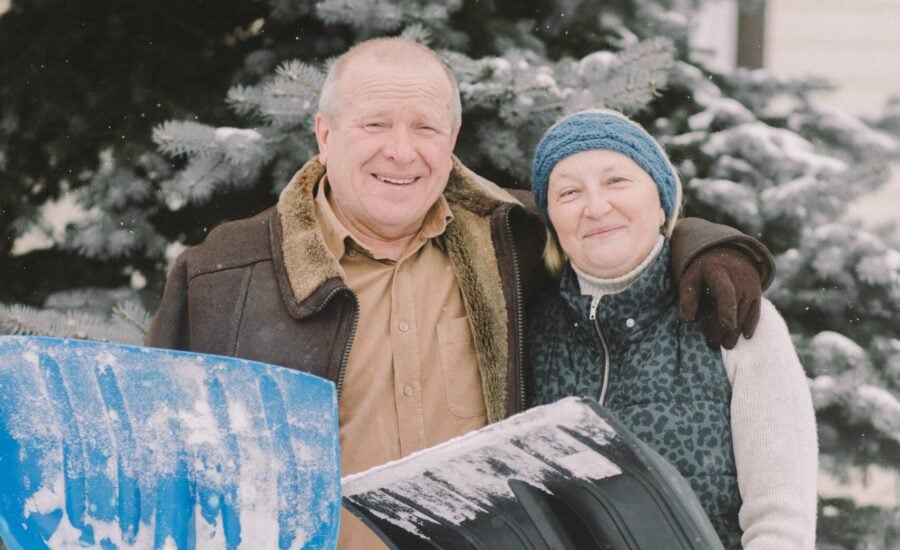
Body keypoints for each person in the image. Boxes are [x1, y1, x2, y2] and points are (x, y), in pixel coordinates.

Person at [147, 39, 775, 548]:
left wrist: (712, 248)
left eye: (425, 126)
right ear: (325, 134)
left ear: (451, 141)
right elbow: (160, 469)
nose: (401, 150)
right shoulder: (225, 275)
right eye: (374, 124)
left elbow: (610, 220)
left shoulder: (508, 240)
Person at [527, 110, 818, 549]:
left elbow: (781, 520)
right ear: (551, 219)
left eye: (616, 181)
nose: (596, 207)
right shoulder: (532, 329)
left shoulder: (731, 315)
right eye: (569, 192)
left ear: (660, 199)